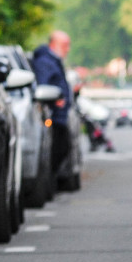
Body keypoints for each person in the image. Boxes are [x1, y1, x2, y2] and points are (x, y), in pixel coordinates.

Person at [32, 30, 74, 175]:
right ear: (53, 44)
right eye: (64, 45)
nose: (67, 49)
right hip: (52, 117)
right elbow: (43, 86)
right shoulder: (45, 62)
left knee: (63, 147)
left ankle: (51, 181)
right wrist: (55, 100)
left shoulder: (53, 61)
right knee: (59, 148)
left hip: (59, 116)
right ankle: (49, 180)